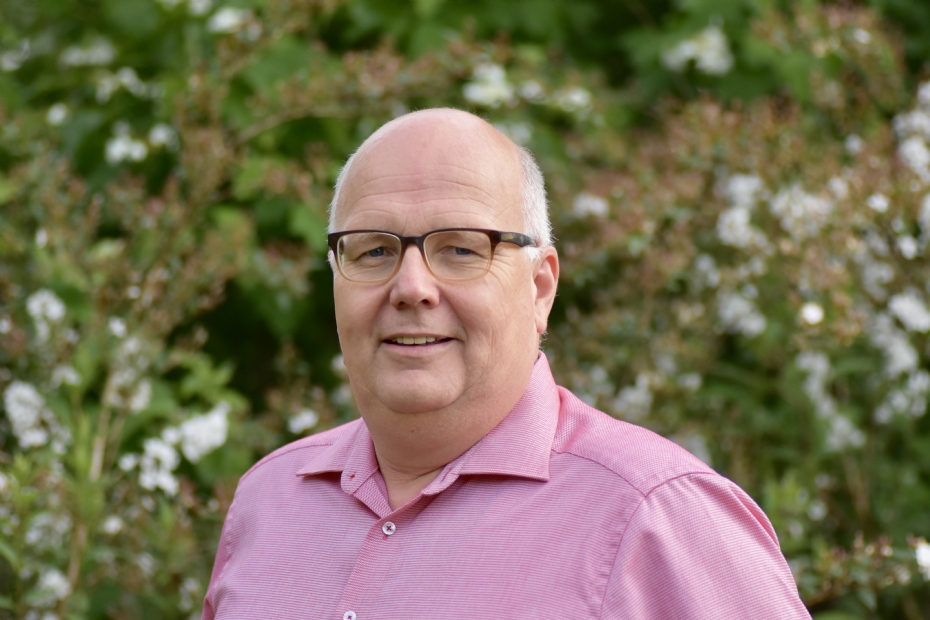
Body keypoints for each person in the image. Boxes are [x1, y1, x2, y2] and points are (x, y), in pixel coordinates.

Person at [202, 108, 811, 619]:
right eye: (374, 250)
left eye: (462, 249)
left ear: (540, 288)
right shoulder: (270, 501)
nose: (412, 287)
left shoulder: (656, 517)